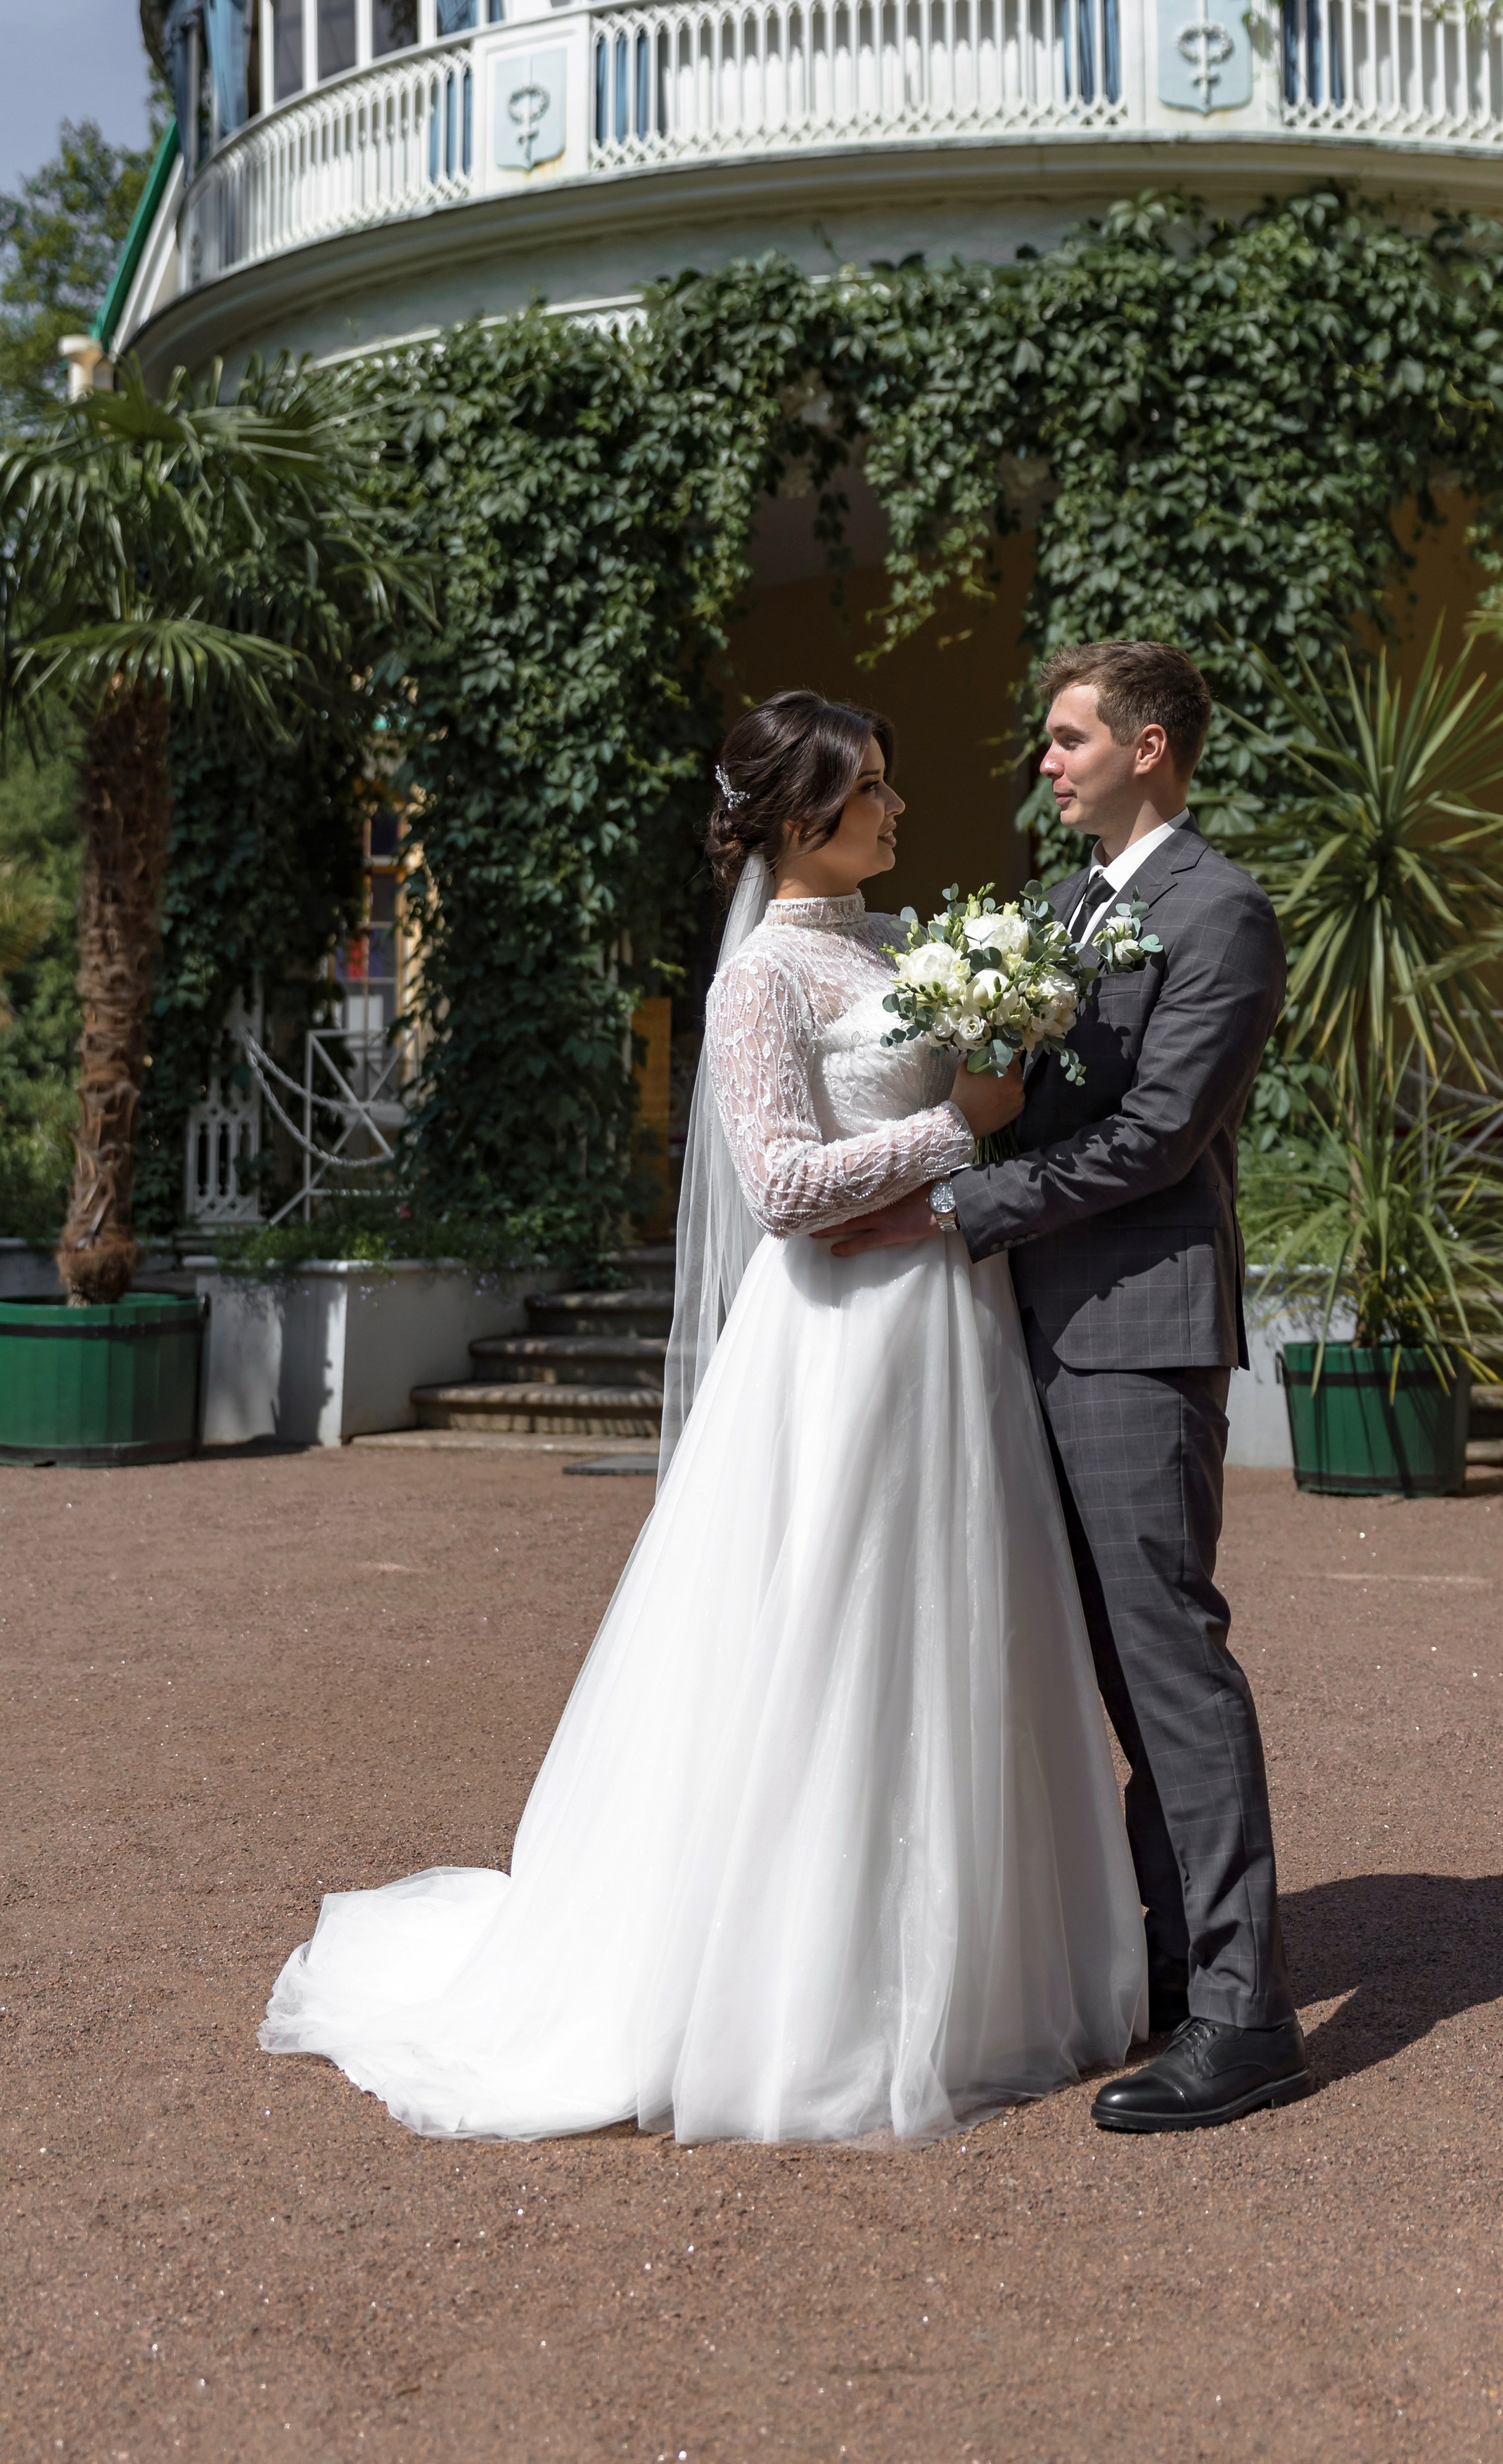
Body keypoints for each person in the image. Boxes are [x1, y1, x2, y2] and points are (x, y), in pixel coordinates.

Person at [260, 690, 1145, 2145]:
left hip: (949, 1335)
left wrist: (976, 1134)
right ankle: (811, 1994)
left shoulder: (894, 946)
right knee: (829, 1637)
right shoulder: (758, 985)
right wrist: (957, 1128)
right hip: (836, 1361)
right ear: (800, 818)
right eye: (870, 790)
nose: (896, 810)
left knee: (957, 1630)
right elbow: (783, 1187)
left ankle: (977, 1970)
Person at [823, 641, 1310, 2133]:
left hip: (1131, 1328)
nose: (1044, 760)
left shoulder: (1216, 910)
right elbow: (1002, 1092)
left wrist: (967, 1206)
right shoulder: (1051, 912)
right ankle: (1167, 1961)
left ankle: (1244, 2010)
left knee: (1165, 1656)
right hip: (1008, 1325)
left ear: (1148, 747)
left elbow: (1162, 1135)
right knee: (1094, 1665)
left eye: (1067, 737)